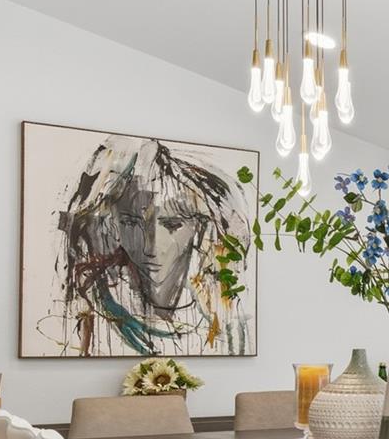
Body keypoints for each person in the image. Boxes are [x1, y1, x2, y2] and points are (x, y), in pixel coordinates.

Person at [53, 135, 248, 356]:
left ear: (199, 228)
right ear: (114, 225)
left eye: (172, 224)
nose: (150, 246)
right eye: (131, 222)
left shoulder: (221, 318)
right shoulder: (93, 309)